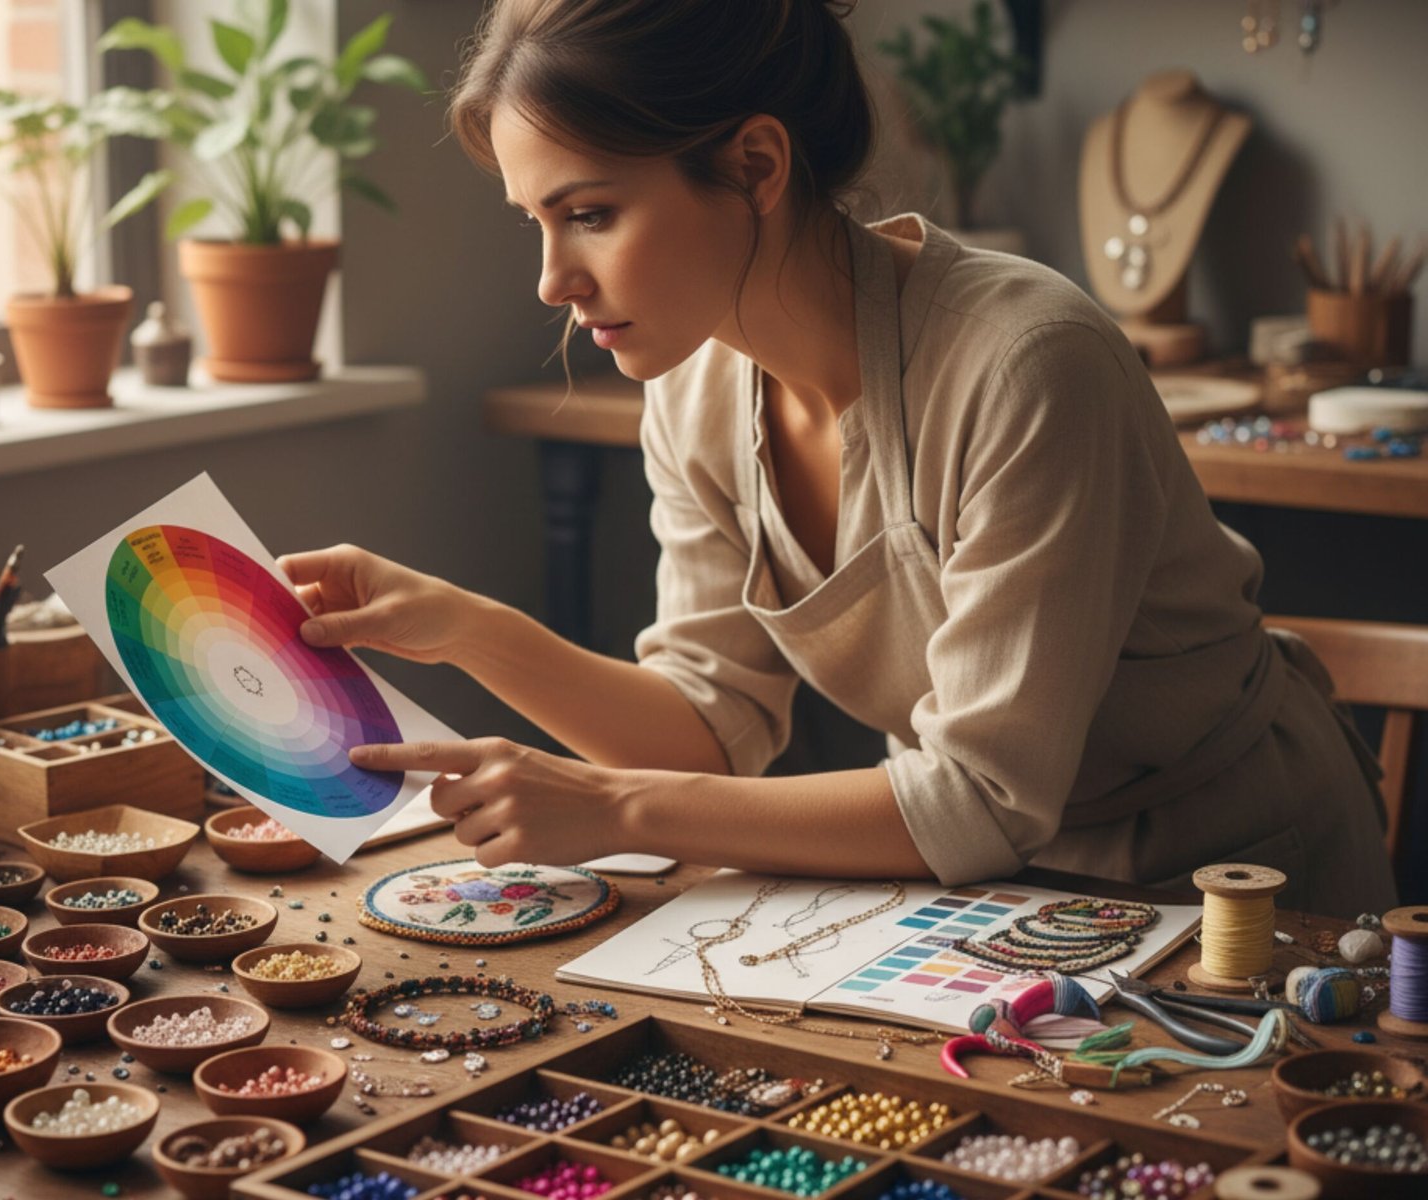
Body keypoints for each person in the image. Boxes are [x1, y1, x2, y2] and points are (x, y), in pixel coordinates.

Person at [278, 0, 1395, 917]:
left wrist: (613, 810)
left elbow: (979, 799)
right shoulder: (696, 388)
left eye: (591, 214)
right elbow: (710, 726)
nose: (550, 280)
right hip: (997, 894)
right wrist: (465, 627)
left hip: (1240, 883)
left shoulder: (1024, 362)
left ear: (756, 163)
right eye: (535, 221)